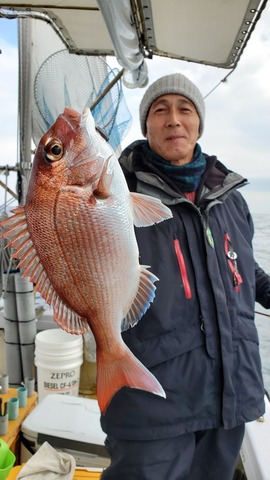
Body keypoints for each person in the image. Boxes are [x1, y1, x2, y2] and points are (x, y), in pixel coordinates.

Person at [100, 73, 270, 480]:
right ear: (146, 127)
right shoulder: (116, 195)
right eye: (160, 110)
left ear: (199, 124)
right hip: (154, 404)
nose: (173, 119)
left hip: (229, 396)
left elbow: (244, 269)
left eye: (185, 109)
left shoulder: (232, 198)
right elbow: (82, 249)